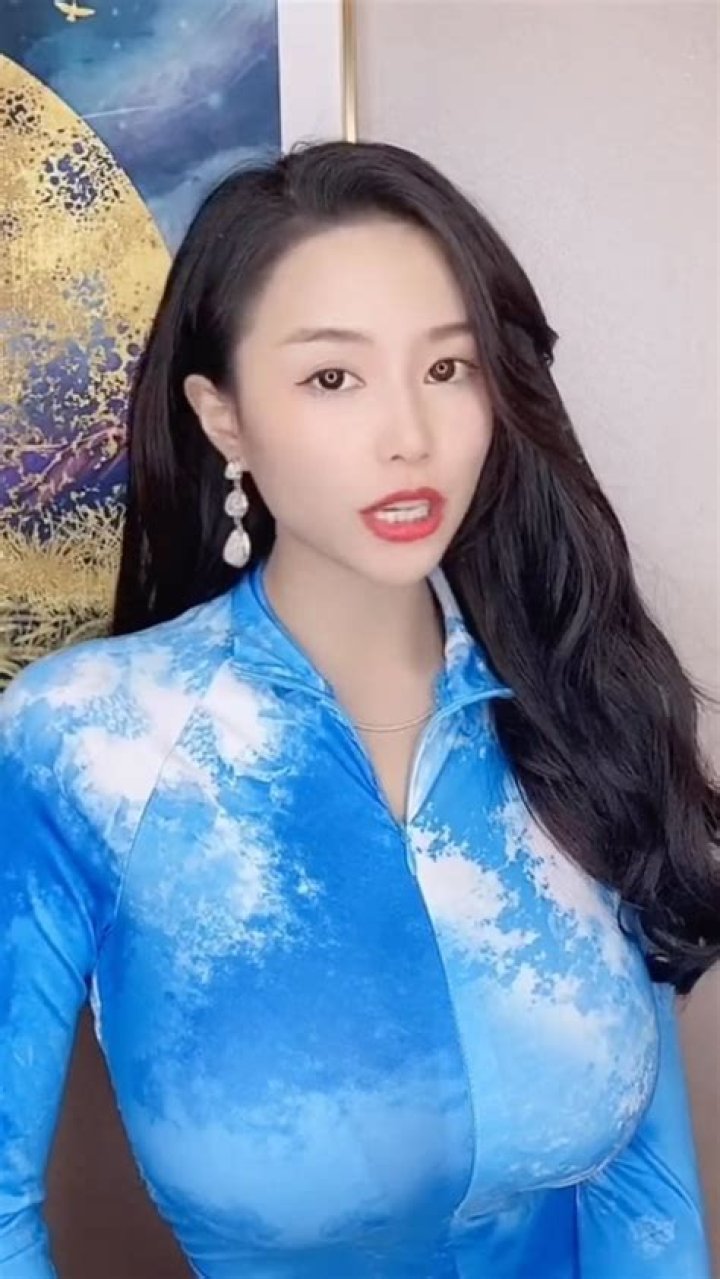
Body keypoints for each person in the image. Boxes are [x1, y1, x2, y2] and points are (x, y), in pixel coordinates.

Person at [0, 139, 718, 1279]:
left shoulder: (580, 704)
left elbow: (647, 1192)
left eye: (448, 367)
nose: (410, 437)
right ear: (223, 416)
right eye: (333, 378)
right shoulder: (90, 741)